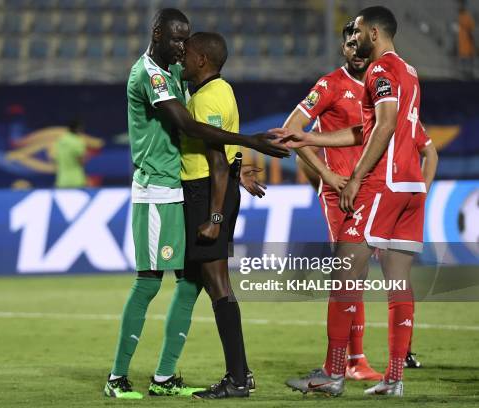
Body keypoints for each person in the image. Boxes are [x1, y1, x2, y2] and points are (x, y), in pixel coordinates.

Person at [104, 8, 289, 399]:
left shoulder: (177, 74)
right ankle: (117, 377)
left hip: (184, 190)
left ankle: (165, 377)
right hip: (157, 189)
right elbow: (189, 128)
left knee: (190, 283)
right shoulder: (151, 75)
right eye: (174, 40)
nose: (180, 48)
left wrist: (238, 169)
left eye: (184, 43)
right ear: (156, 33)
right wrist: (250, 143)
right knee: (148, 281)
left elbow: (212, 152)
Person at [276, 6, 438, 397]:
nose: (354, 38)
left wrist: (357, 179)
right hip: (411, 187)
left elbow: (380, 128)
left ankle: (334, 374)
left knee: (344, 278)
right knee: (399, 283)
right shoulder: (410, 72)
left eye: (360, 31)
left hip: (382, 185)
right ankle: (394, 378)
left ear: (376, 33)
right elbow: (374, 128)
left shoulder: (380, 72)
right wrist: (311, 139)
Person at [283, 21, 381, 382]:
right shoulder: (329, 85)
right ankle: (344, 362)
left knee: (360, 276)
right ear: (343, 48)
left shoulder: (380, 86)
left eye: (360, 43)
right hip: (341, 195)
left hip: (373, 192)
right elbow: (292, 129)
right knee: (347, 275)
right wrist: (327, 176)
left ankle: (355, 359)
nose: (355, 49)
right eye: (349, 44)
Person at [178, 32, 265, 399]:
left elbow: (216, 160)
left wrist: (214, 218)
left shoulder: (209, 97)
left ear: (202, 60)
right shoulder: (219, 91)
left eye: (187, 55)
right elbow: (231, 142)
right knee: (209, 282)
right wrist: (241, 168)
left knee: (218, 285)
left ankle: (238, 379)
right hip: (212, 191)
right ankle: (241, 372)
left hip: (207, 193)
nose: (182, 59)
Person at [53, 121, 88, 189]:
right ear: (78, 129)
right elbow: (81, 161)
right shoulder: (77, 141)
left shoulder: (60, 141)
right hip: (76, 180)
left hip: (61, 181)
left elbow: (55, 159)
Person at [458, 0, 476, 79]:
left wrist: (473, 43)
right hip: (462, 45)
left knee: (468, 61)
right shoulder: (460, 17)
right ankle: (465, 74)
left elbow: (471, 32)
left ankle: (469, 74)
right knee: (463, 62)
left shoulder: (468, 17)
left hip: (468, 46)